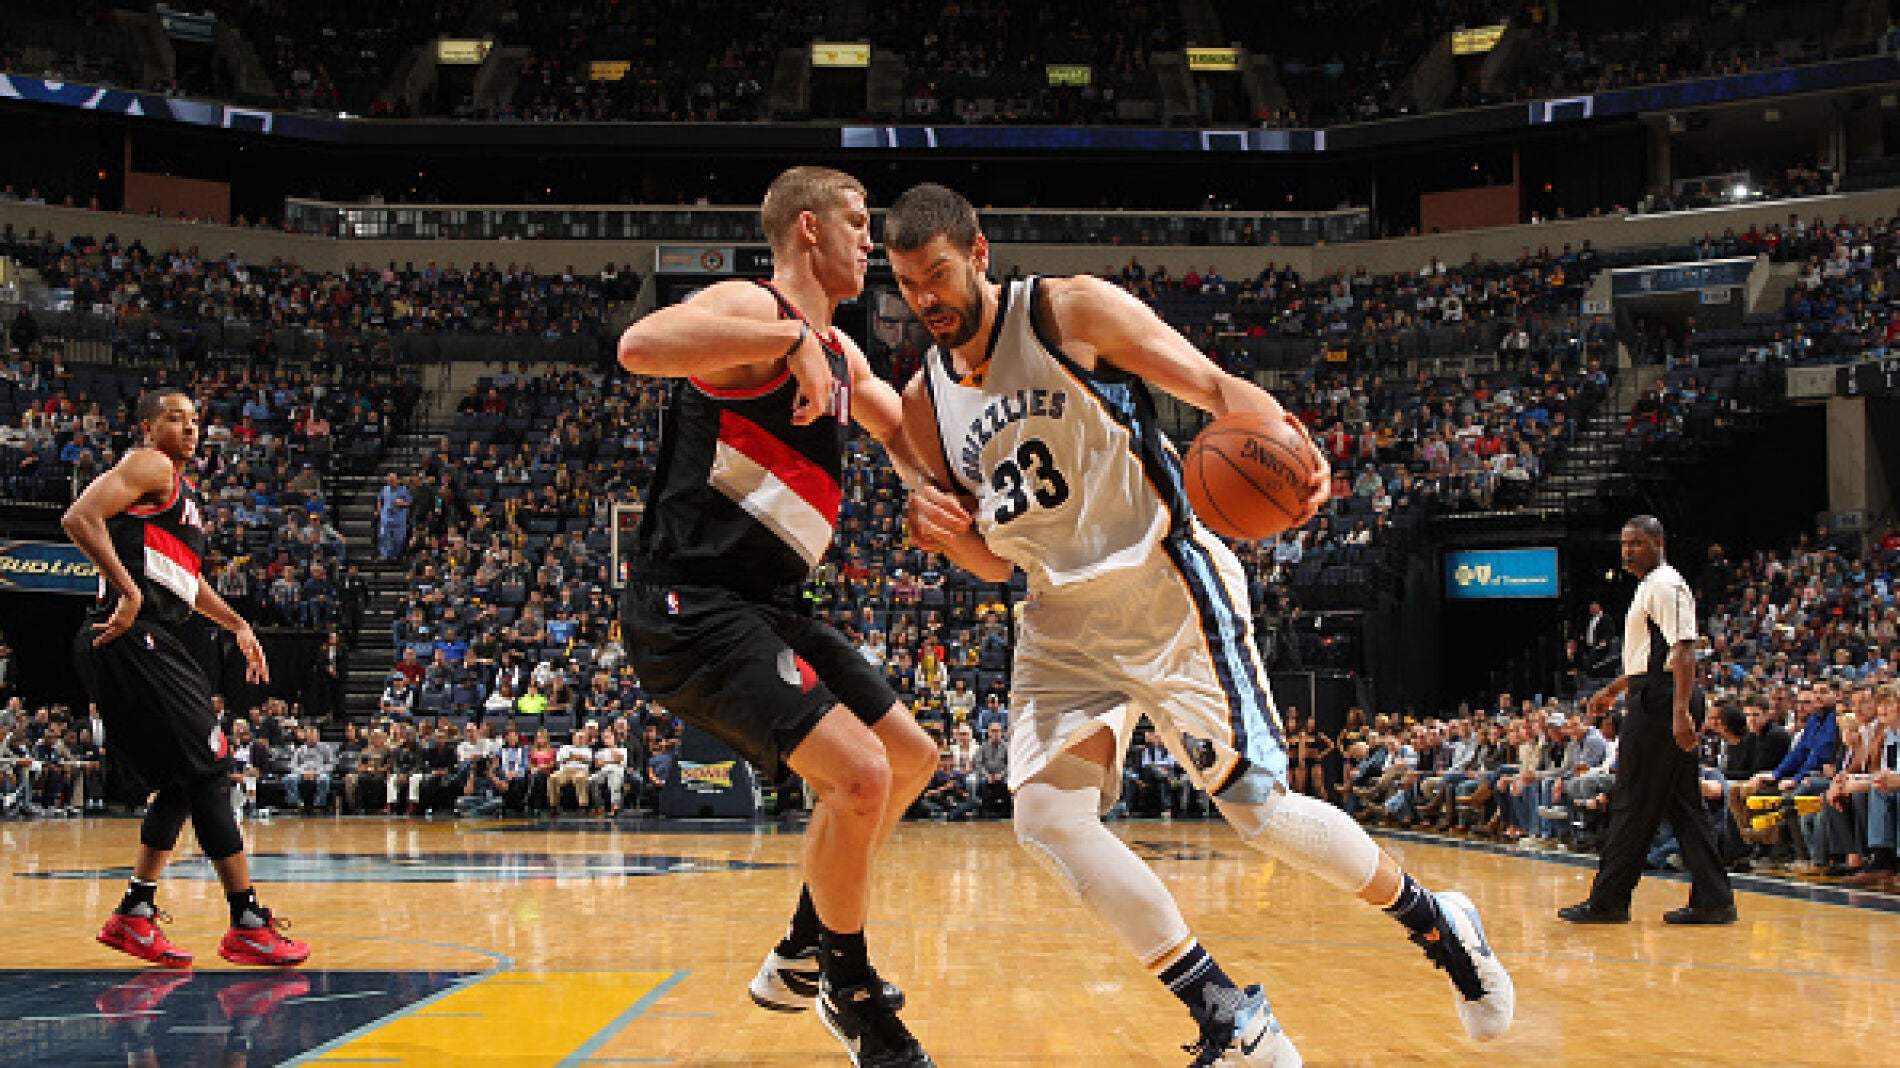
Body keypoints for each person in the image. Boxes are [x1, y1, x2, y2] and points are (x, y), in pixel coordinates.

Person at [886, 183, 1512, 1067]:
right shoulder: (924, 403)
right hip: (1060, 620)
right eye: (908, 286)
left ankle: (1437, 922)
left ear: (979, 255)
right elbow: (994, 558)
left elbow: (1218, 389)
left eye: (938, 277)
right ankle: (1228, 1016)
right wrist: (949, 540)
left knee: (1257, 812)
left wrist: (1288, 439)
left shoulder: (1070, 312)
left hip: (1165, 588)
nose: (925, 302)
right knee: (1045, 817)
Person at [617, 166, 939, 1067]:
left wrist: (933, 490)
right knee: (861, 776)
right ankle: (853, 991)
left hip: (772, 606)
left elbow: (892, 427)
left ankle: (805, 949)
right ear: (808, 229)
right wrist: (783, 330)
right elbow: (640, 345)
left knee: (911, 759)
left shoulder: (840, 352)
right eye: (859, 222)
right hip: (691, 606)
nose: (872, 241)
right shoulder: (748, 311)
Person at [62, 389, 309, 969]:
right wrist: (125, 591)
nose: (190, 427)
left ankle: (134, 914)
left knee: (182, 780)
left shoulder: (177, 495)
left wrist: (238, 623)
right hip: (131, 634)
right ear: (149, 427)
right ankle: (247, 921)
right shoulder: (149, 464)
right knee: (213, 764)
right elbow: (79, 518)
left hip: (144, 635)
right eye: (175, 418)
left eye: (196, 420)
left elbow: (184, 585)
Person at [1560, 516, 1737, 925]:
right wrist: (1613, 690)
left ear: (1658, 542)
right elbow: (1648, 662)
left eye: (1637, 543)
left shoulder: (1666, 585)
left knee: (1633, 799)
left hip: (1663, 702)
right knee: (1683, 806)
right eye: (1623, 544)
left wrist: (1678, 713)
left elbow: (1684, 652)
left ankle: (1609, 901)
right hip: (1653, 693)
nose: (1627, 551)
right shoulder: (1649, 586)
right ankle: (1713, 898)